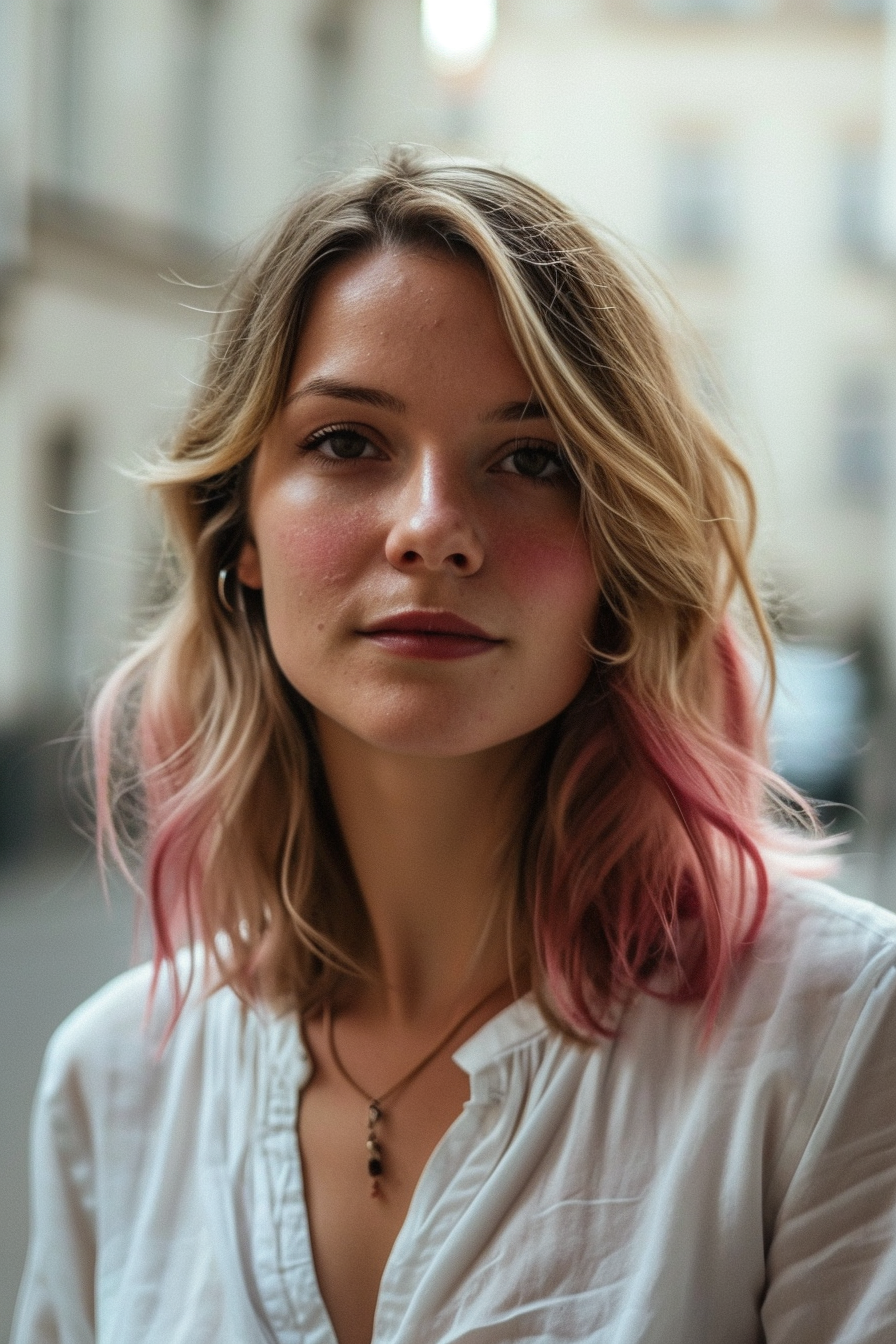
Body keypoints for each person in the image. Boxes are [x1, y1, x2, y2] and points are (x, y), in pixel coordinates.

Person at [12, 150, 896, 1344]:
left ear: (616, 558)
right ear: (244, 533)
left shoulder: (834, 1033)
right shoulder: (113, 1082)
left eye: (531, 459)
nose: (432, 527)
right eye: (345, 443)